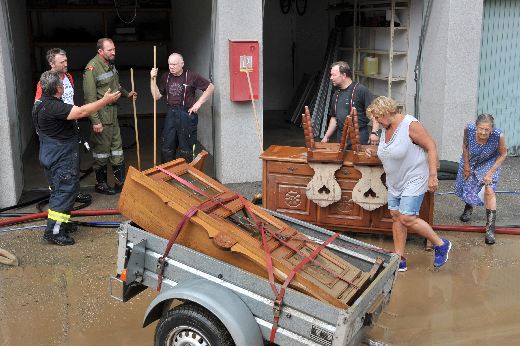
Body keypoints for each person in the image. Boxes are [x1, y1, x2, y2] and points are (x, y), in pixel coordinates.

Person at [33, 71, 121, 245]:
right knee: (64, 192)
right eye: (61, 85)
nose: (63, 87)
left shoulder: (40, 103)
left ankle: (62, 223)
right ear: (58, 88)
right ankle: (54, 232)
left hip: (50, 154)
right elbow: (81, 112)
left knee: (61, 192)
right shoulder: (53, 107)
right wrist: (105, 101)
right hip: (60, 157)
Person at [366, 96, 451, 271]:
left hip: (414, 177)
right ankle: (399, 258)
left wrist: (433, 175)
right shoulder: (386, 127)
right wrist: (374, 152)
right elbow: (391, 150)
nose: (376, 122)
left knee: (407, 217)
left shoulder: (409, 125)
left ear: (388, 112)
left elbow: (431, 146)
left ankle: (441, 244)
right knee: (396, 216)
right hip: (395, 180)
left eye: (377, 117)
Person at [35, 48, 92, 205]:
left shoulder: (68, 77)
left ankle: (74, 191)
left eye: (66, 60)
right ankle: (58, 194)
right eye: (62, 62)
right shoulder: (45, 82)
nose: (66, 64)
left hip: (70, 123)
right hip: (56, 129)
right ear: (52, 63)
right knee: (58, 164)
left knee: (73, 160)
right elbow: (39, 105)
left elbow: (70, 100)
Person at [83, 38, 137, 195]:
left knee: (117, 150)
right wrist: (95, 121)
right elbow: (90, 99)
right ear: (100, 51)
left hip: (113, 116)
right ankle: (101, 184)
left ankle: (120, 183)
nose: (113, 52)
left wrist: (127, 94)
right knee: (102, 153)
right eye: (109, 50)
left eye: (114, 49)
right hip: (102, 118)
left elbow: (115, 85)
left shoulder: (110, 64)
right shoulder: (92, 69)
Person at [150, 52, 214, 163]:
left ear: (182, 64)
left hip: (186, 115)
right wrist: (152, 79)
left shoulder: (192, 76)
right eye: (170, 64)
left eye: (174, 64)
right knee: (167, 147)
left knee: (187, 149)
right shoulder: (166, 76)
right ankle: (168, 176)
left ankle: (187, 176)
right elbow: (157, 96)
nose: (171, 67)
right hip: (171, 114)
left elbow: (210, 87)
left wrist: (198, 103)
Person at [454, 114, 507, 245]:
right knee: (467, 185)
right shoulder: (469, 129)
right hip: (470, 159)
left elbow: (503, 153)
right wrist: (466, 165)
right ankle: (468, 207)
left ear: (491, 129)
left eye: (487, 130)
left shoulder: (498, 135)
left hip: (489, 162)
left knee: (489, 190)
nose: (483, 132)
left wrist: (490, 173)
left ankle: (490, 229)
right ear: (476, 126)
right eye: (481, 129)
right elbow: (465, 146)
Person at [321, 61, 379, 147]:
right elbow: (334, 117)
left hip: (359, 135)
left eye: (334, 75)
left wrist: (374, 132)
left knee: (358, 159)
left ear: (344, 75)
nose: (331, 78)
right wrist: (326, 136)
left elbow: (375, 113)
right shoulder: (336, 94)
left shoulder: (361, 90)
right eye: (331, 75)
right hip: (341, 136)